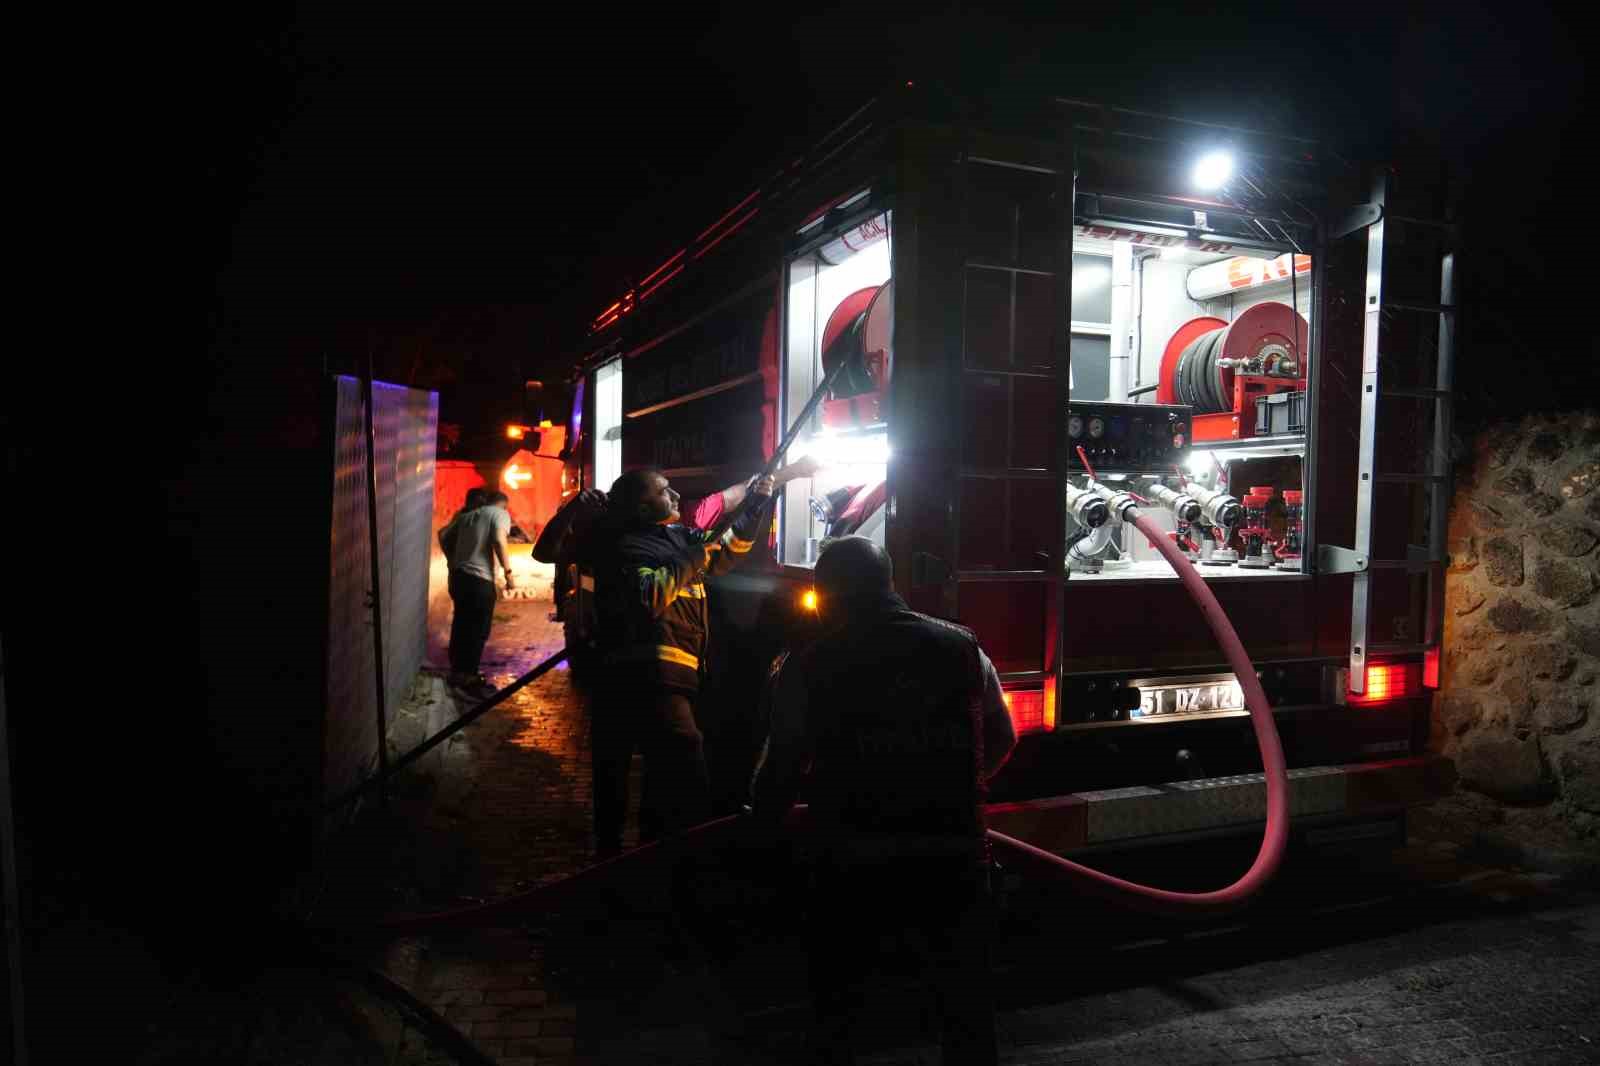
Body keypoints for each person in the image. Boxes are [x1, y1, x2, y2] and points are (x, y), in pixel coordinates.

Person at [751, 536, 1017, 1066]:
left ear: (826, 594)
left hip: (852, 860)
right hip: (953, 857)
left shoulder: (806, 664)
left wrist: (760, 830)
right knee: (965, 1010)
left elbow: (782, 763)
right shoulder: (964, 647)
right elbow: (1003, 735)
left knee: (839, 1007)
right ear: (888, 583)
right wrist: (960, 791)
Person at [585, 467, 779, 859]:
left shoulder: (679, 537)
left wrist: (757, 504)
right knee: (678, 761)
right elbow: (649, 595)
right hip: (644, 674)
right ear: (642, 507)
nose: (675, 495)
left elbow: (724, 553)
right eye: (663, 490)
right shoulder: (626, 547)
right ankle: (636, 864)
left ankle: (644, 853)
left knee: (648, 770)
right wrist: (693, 556)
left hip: (670, 675)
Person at [440, 489, 515, 696]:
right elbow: (500, 540)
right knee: (477, 630)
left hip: (459, 578)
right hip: (479, 580)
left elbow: (442, 534)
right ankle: (470, 679)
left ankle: (458, 674)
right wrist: (508, 574)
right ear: (502, 505)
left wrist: (452, 559)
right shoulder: (498, 513)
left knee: (461, 625)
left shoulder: (467, 516)